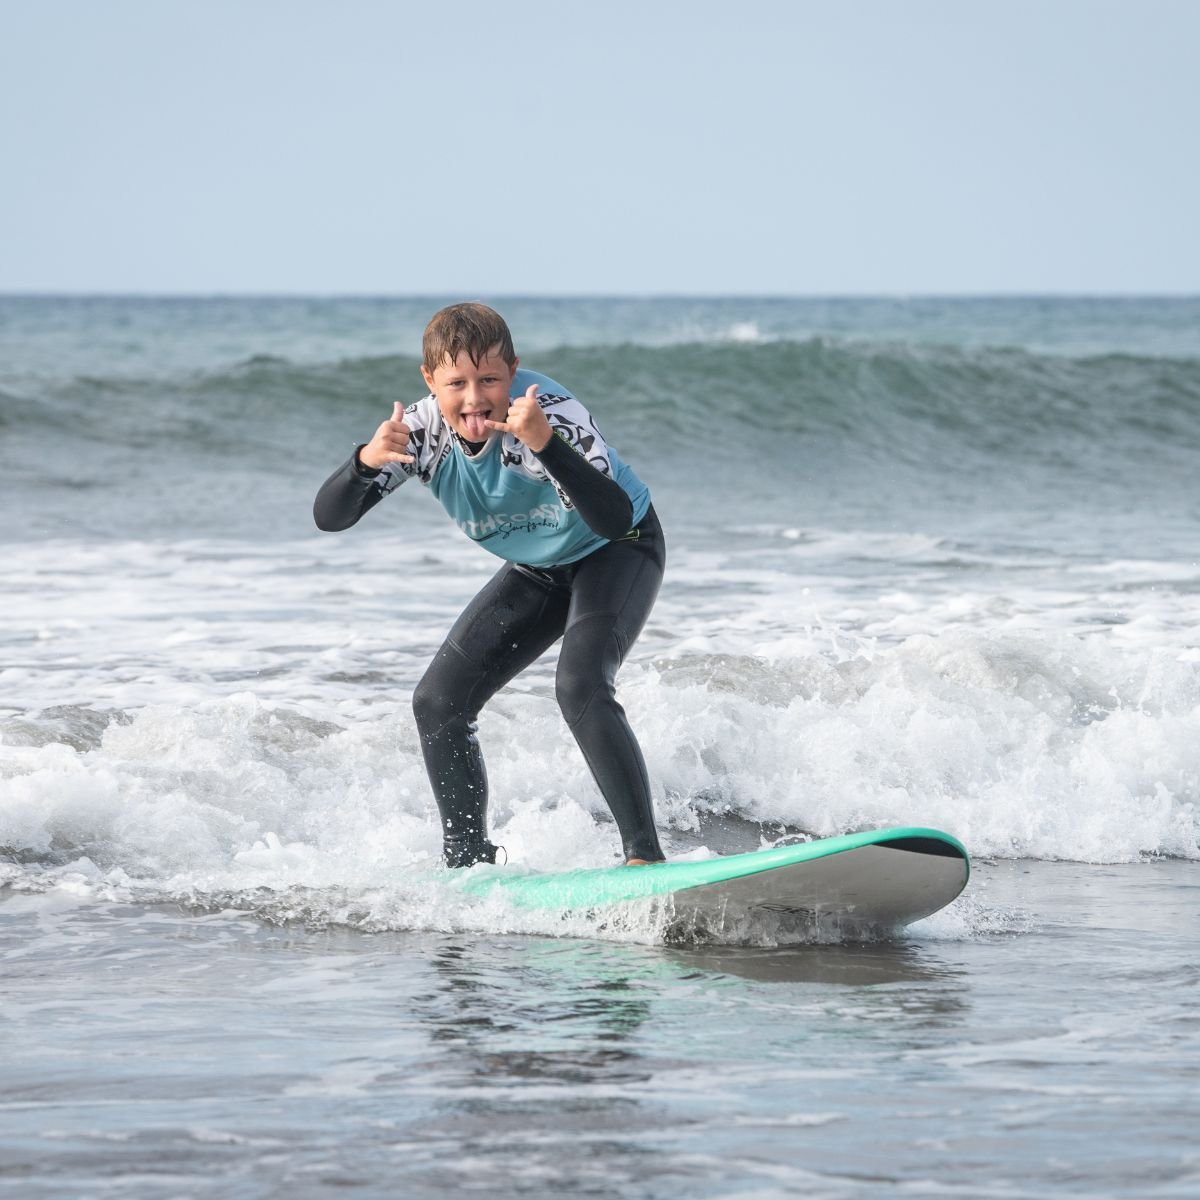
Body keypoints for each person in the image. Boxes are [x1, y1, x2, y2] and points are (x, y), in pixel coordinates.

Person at [313, 302, 666, 868]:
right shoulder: (423, 432)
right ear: (430, 380)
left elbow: (613, 517)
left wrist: (548, 446)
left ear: (514, 371)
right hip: (538, 568)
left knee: (580, 686)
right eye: (457, 383)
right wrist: (365, 460)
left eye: (490, 380)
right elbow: (330, 517)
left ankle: (644, 858)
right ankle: (469, 863)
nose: (475, 398)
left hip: (617, 550)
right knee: (438, 703)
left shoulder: (548, 413)